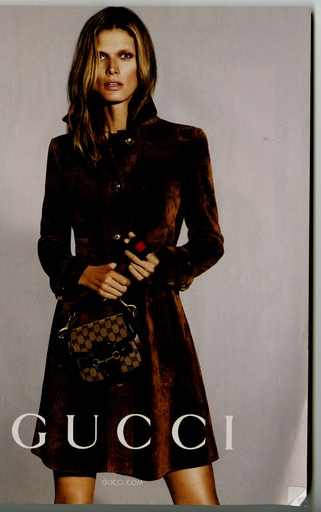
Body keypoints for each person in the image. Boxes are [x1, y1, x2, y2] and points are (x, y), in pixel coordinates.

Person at [32, 6, 224, 505]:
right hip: (85, 334)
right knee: (72, 497)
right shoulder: (65, 151)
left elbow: (209, 240)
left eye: (125, 55)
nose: (113, 68)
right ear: (86, 66)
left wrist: (167, 265)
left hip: (159, 340)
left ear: (143, 64)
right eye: (102, 57)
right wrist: (83, 273)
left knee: (197, 496)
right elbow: (50, 242)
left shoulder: (184, 143)